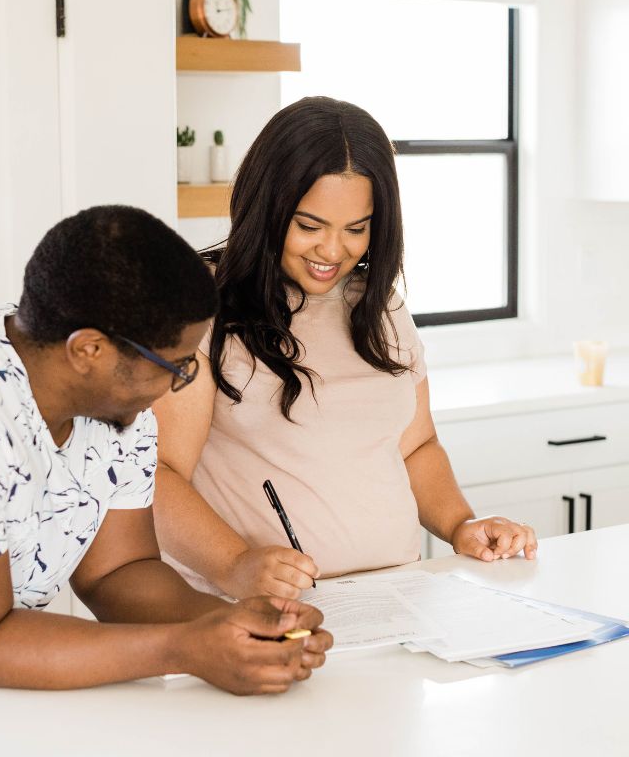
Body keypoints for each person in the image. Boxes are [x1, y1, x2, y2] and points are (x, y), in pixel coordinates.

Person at [0, 205, 332, 713]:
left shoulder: (116, 407)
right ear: (89, 351)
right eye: (176, 365)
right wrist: (186, 647)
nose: (183, 382)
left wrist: (246, 625)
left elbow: (117, 573)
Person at [153, 97, 539, 601]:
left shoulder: (381, 306)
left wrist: (461, 525)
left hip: (398, 602)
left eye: (356, 229)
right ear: (265, 207)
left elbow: (416, 446)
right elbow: (157, 477)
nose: (333, 251)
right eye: (309, 226)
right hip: (259, 612)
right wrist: (235, 565)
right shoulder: (201, 308)